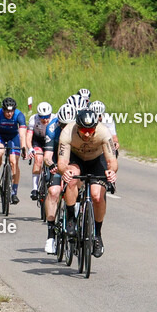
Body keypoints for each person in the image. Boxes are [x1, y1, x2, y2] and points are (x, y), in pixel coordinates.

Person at [57, 109, 117, 258]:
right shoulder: (67, 132)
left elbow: (112, 161)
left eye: (91, 130)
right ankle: (71, 218)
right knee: (71, 178)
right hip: (76, 159)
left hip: (97, 160)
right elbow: (62, 163)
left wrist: (111, 171)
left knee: (97, 196)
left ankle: (97, 235)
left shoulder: (104, 132)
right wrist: (65, 170)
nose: (87, 134)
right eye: (84, 130)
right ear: (77, 126)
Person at [42, 103, 76, 254]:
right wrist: (51, 165)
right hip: (57, 159)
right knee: (54, 192)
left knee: (76, 184)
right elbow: (47, 156)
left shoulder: (78, 129)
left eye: (68, 125)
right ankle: (50, 236)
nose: (65, 128)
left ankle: (76, 214)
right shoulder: (51, 128)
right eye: (62, 125)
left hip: (74, 160)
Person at [0, 97, 27, 204]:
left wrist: (24, 147)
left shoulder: (19, 115)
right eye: (7, 111)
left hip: (13, 137)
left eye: (11, 111)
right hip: (0, 136)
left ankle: (14, 192)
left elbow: (22, 133)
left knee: (13, 162)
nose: (9, 114)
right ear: (3, 110)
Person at [27, 101, 52, 201]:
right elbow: (29, 137)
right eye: (42, 117)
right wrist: (30, 148)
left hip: (49, 141)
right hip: (38, 141)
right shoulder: (33, 119)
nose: (45, 120)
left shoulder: (55, 119)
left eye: (47, 117)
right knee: (38, 158)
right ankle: (35, 188)